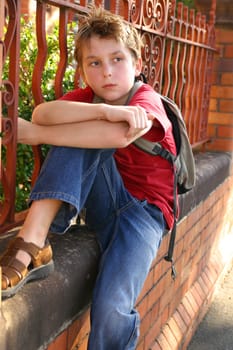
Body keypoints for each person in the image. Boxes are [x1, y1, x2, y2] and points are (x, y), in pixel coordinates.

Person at [0, 6, 177, 350]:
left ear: (137, 64)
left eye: (117, 59)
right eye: (94, 63)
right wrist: (103, 109)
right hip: (104, 202)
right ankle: (31, 243)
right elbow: (43, 112)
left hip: (144, 215)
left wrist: (35, 135)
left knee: (111, 308)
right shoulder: (93, 99)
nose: (107, 72)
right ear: (82, 70)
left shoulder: (146, 100)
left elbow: (114, 136)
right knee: (76, 130)